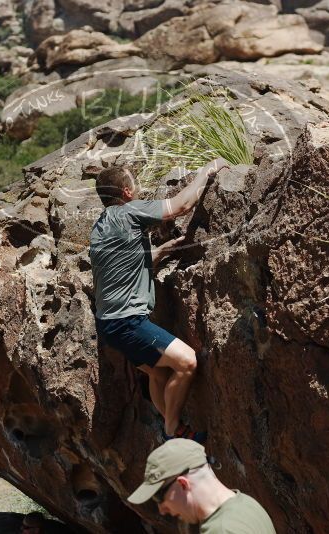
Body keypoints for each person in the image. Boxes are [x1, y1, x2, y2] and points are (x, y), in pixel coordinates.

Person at [89, 159, 228, 441]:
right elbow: (180, 206)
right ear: (127, 192)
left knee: (157, 373)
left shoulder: (101, 225)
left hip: (109, 324)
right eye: (135, 183)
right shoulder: (129, 212)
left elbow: (123, 267)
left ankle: (174, 433)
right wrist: (207, 170)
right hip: (128, 322)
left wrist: (162, 251)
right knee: (187, 362)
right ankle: (171, 428)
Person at [128, 439, 276, 533]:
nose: (162, 509)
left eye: (159, 495)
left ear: (183, 484)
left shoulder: (220, 530)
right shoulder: (246, 504)